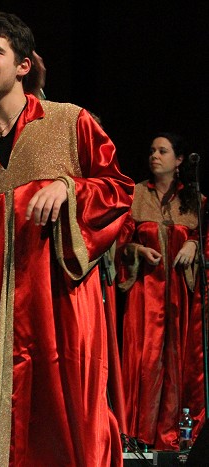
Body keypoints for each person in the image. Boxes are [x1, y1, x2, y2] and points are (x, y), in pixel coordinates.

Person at [0, 10, 134, 466]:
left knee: (65, 425)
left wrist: (69, 188)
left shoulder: (69, 122)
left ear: (23, 65)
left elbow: (119, 190)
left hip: (61, 311)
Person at [118, 132, 205, 450]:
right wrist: (138, 251)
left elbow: (204, 239)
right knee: (144, 362)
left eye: (163, 151)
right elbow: (120, 244)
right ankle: (137, 435)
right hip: (145, 296)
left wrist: (194, 243)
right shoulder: (136, 195)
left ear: (179, 160)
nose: (154, 155)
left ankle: (173, 438)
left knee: (176, 364)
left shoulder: (196, 202)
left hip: (181, 298)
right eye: (152, 150)